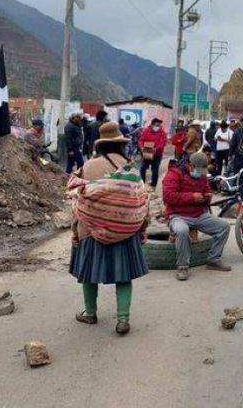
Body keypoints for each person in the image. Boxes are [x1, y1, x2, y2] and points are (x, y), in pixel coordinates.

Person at [69, 121, 149, 336]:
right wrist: (142, 228)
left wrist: (75, 231)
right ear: (120, 144)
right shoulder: (131, 167)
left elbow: (79, 200)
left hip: (91, 229)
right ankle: (123, 319)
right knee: (124, 276)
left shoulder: (88, 166)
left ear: (100, 145)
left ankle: (90, 313)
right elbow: (141, 199)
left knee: (87, 274)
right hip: (124, 229)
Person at [163, 151, 232, 281]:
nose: (200, 173)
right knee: (182, 231)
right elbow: (168, 197)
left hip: (199, 215)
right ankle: (183, 266)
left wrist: (207, 197)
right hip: (178, 215)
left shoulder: (201, 176)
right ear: (191, 166)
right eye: (198, 170)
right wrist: (192, 197)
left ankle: (213, 260)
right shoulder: (174, 174)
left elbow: (206, 190)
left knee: (223, 227)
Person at [137, 118, 167, 188]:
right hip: (147, 153)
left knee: (155, 170)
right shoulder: (146, 131)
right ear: (152, 124)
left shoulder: (162, 132)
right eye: (157, 125)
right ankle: (142, 183)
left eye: (159, 125)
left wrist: (156, 149)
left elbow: (163, 143)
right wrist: (141, 147)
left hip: (157, 154)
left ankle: (153, 185)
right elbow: (141, 140)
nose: (158, 127)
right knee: (142, 168)